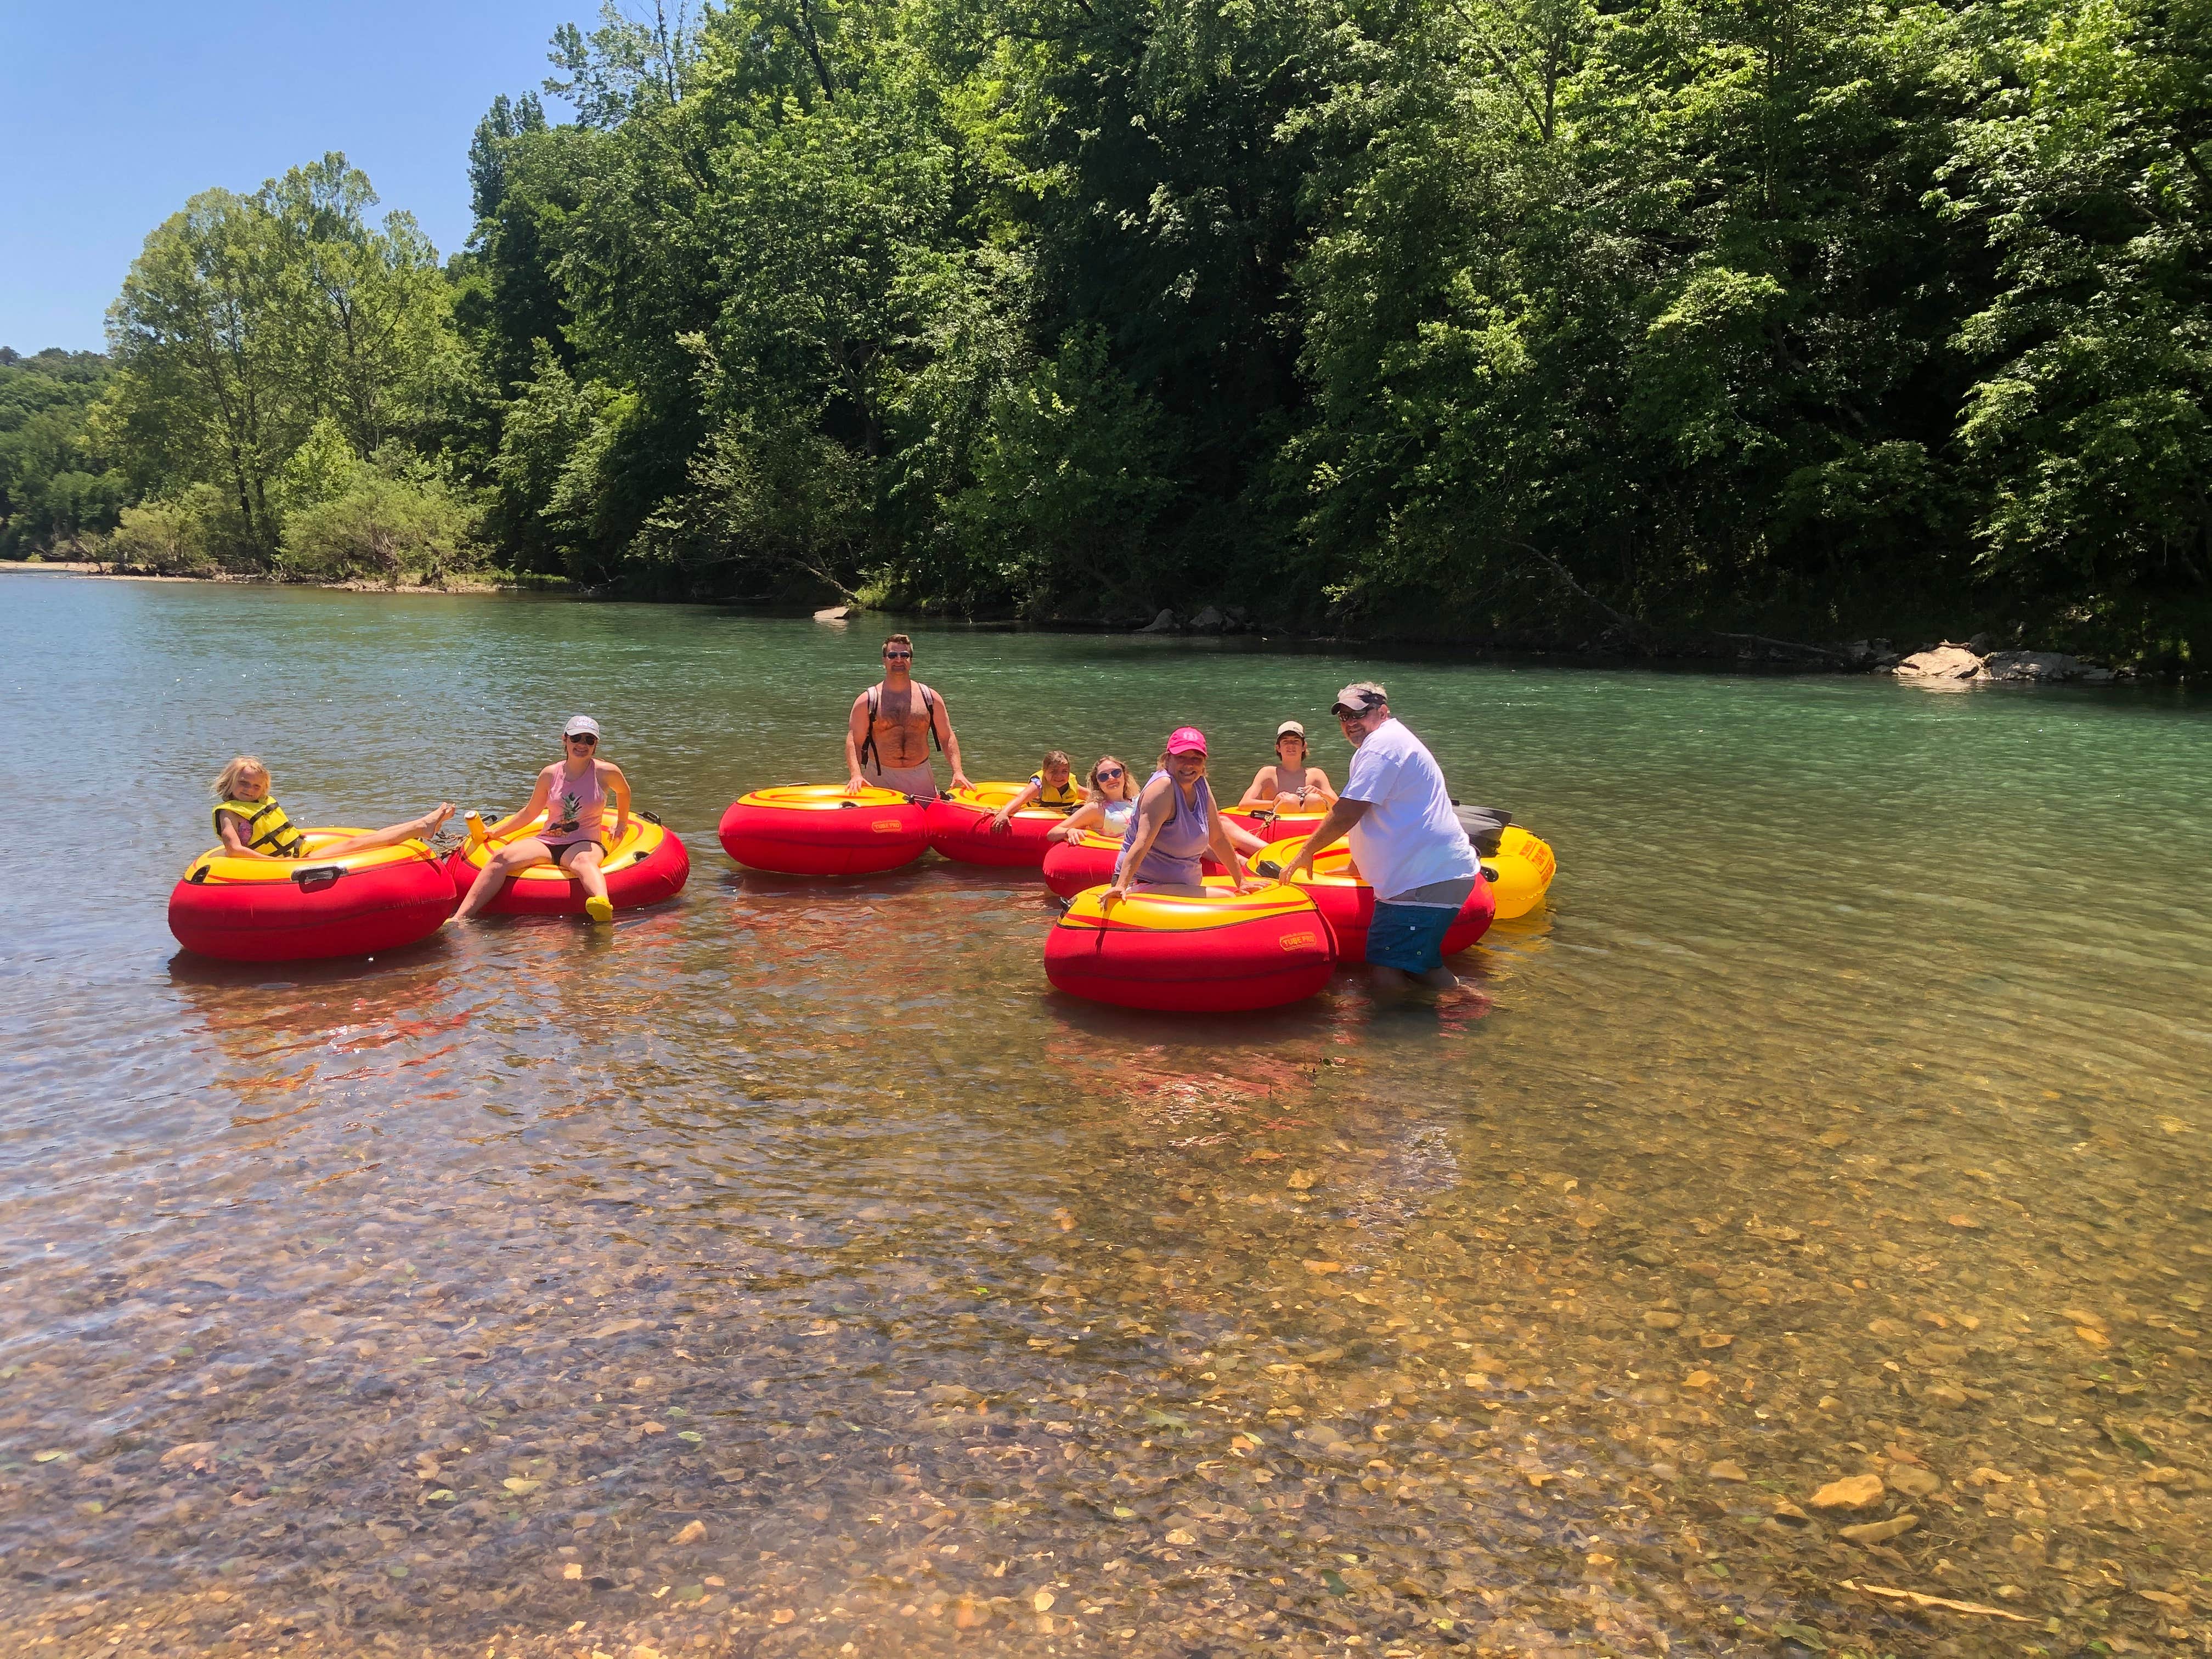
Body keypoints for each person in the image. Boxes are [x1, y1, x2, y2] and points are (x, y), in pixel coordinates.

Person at [1282, 682, 1481, 994]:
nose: (1350, 724)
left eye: (1358, 715)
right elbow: (1376, 815)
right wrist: (1355, 865)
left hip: (1422, 881)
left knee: (1386, 972)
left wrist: (1305, 851)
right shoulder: (1386, 743)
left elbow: (1349, 811)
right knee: (1422, 967)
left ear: (1382, 712)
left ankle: (1394, 1039)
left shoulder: (1382, 746)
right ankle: (1473, 1007)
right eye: (1344, 717)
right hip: (1432, 876)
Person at [454, 716, 631, 924]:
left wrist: (621, 823)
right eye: (576, 738)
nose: (582, 745)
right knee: (500, 857)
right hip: (548, 841)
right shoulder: (550, 774)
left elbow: (624, 792)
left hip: (585, 842)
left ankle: (602, 905)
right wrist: (495, 833)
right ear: (565, 740)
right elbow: (530, 813)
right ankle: (461, 918)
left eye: (589, 740)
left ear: (595, 745)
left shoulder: (605, 772)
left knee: (584, 862)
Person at [1106, 727, 1255, 899]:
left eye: (1196, 759)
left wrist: (1241, 881)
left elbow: (1218, 837)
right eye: (1181, 757)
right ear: (1168, 758)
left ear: (1204, 762)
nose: (1189, 764)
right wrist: (1122, 886)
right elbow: (1142, 841)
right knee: (1226, 898)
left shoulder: (1200, 783)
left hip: (1182, 885)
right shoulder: (1163, 788)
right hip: (1142, 883)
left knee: (1236, 894)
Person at [210, 757, 452, 861]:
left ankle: (422, 825)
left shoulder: (258, 804)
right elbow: (234, 850)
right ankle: (421, 826)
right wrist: (275, 866)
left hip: (299, 855)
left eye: (256, 786)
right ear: (230, 780)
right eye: (243, 783)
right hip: (285, 863)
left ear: (263, 789)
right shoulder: (229, 812)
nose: (249, 789)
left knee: (368, 838)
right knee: (354, 844)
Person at [845, 633, 970, 800]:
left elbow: (947, 737)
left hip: (920, 775)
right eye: (892, 655)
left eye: (905, 655)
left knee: (928, 826)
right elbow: (855, 741)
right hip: (880, 775)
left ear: (911, 660)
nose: (899, 660)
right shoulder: (868, 700)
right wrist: (856, 775)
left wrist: (958, 772)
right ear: (884, 660)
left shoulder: (930, 698)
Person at [1237, 720, 1338, 816]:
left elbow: (1340, 805)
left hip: (1310, 828)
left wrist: (1322, 794)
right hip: (1278, 827)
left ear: (1304, 746)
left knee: (1314, 799)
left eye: (1296, 741)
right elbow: (1244, 804)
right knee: (1291, 801)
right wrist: (1274, 803)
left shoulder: (1317, 775)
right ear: (1278, 748)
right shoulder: (1268, 773)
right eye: (1286, 741)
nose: (1291, 745)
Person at [1045, 755, 1142, 843]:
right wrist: (1069, 831)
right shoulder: (1097, 808)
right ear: (1098, 783)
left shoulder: (1138, 801)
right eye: (1103, 776)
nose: (1111, 778)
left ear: (1125, 775)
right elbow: (1053, 833)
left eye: (1116, 773)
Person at [989, 750, 1085, 833]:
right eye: (1053, 771)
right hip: (1036, 820)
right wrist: (1004, 813)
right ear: (1044, 771)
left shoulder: (1072, 785)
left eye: (1064, 771)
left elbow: (1089, 795)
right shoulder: (1038, 786)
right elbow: (1021, 798)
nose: (1059, 776)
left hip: (1062, 820)